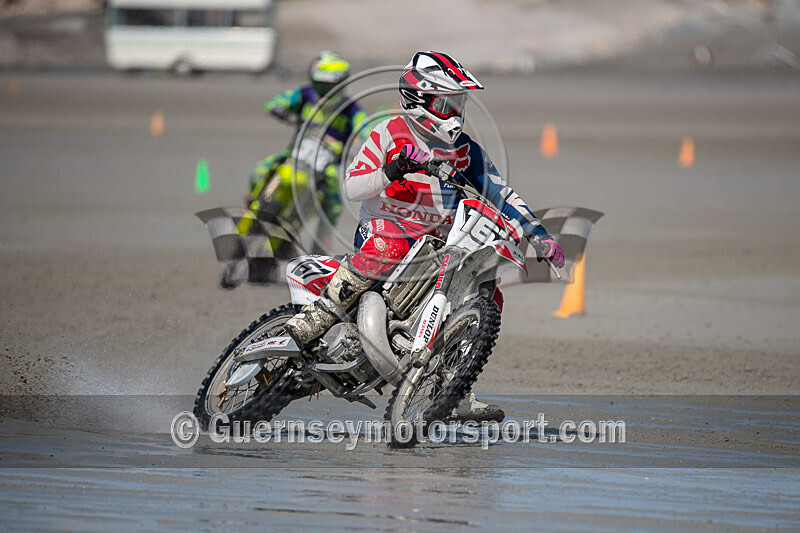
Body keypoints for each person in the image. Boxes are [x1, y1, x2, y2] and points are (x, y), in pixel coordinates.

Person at [285, 51, 565, 421]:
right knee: (392, 244)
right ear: (419, 99)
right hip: (384, 229)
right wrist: (397, 166)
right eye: (445, 103)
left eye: (457, 103)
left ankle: (453, 387)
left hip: (439, 244)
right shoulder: (387, 132)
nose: (454, 112)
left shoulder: (466, 151)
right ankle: (317, 318)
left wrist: (538, 234)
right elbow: (353, 187)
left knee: (485, 288)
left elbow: (502, 192)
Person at [246, 51, 369, 246]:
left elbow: (366, 128)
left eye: (330, 86)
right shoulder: (304, 95)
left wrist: (370, 141)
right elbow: (274, 103)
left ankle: (320, 242)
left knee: (335, 204)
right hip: (294, 156)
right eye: (320, 85)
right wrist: (284, 113)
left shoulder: (350, 108)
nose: (324, 90)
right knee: (260, 171)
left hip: (325, 167)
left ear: (341, 84)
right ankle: (254, 200)